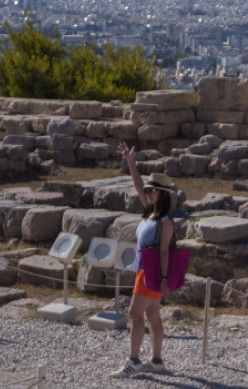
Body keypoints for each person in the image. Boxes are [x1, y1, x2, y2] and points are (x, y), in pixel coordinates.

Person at [111, 143, 179, 378]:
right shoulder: (150, 213)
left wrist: (163, 280)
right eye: (149, 191)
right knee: (152, 316)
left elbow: (164, 252)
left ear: (163, 194)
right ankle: (157, 361)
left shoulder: (166, 221)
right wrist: (131, 162)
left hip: (151, 273)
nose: (149, 193)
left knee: (134, 313)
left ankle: (134, 360)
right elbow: (138, 185)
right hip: (146, 271)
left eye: (153, 191)